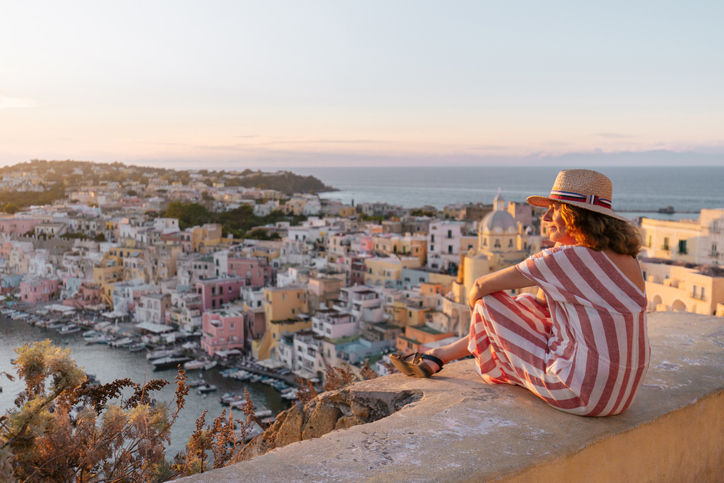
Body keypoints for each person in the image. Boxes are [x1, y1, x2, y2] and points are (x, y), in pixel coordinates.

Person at [391, 169, 649, 416]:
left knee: (488, 302)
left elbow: (481, 287)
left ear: (577, 216)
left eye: (554, 209)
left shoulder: (567, 257)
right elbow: (540, 306)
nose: (545, 217)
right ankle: (440, 355)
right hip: (622, 395)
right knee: (526, 303)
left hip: (580, 393)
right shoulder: (628, 259)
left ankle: (440, 357)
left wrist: (482, 317)